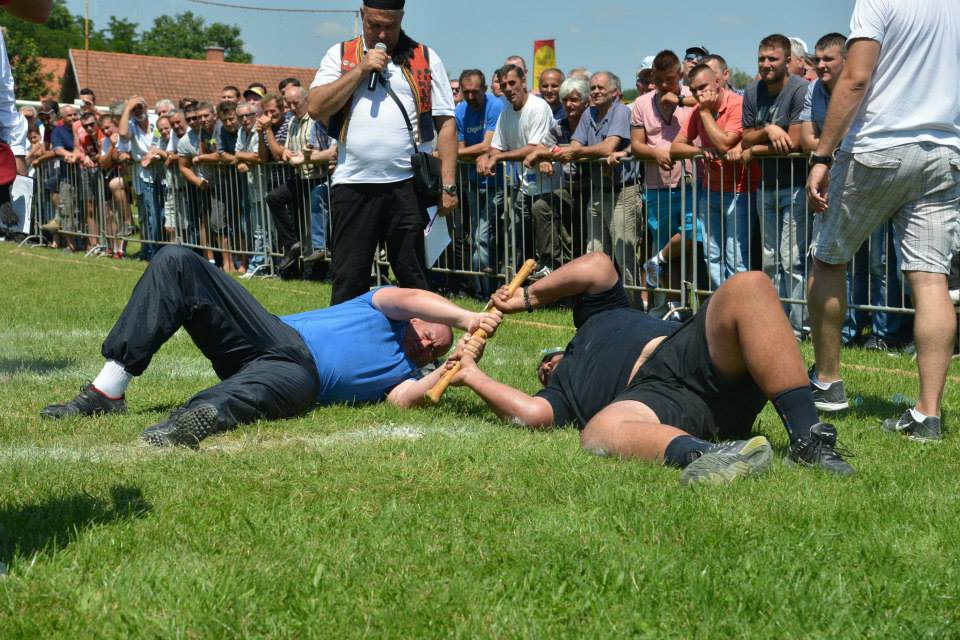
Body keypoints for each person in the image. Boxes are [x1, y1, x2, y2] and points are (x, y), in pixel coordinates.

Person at [446, 252, 854, 483]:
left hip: (688, 356)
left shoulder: (599, 313)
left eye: (546, 360)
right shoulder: (562, 392)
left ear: (554, 352)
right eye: (542, 371)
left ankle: (809, 440)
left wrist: (527, 298)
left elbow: (596, 266)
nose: (544, 368)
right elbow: (531, 413)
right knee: (599, 430)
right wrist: (470, 374)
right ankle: (711, 454)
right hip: (655, 402)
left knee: (749, 285)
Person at [40, 245, 501, 448]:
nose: (428, 345)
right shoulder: (382, 306)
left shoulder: (403, 374)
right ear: (420, 319)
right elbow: (412, 296)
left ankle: (193, 419)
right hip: (269, 335)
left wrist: (452, 369)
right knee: (178, 261)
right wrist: (465, 319)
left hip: (300, 378)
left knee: (258, 390)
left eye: (434, 350)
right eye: (430, 333)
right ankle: (107, 391)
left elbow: (405, 400)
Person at [806, 0, 960, 441]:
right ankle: (927, 414)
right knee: (931, 279)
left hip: (878, 147)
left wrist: (822, 155)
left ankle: (828, 382)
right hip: (943, 150)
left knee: (828, 260)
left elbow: (856, 77)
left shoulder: (879, 0)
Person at [308, 0, 458, 305]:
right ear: (362, 15)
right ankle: (349, 337)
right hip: (352, 184)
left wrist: (449, 186)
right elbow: (316, 107)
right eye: (374, 25)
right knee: (348, 280)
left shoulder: (425, 57)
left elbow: (446, 124)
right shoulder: (340, 54)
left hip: (407, 186)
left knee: (414, 279)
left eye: (390, 26)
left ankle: (421, 335)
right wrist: (361, 69)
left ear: (402, 18)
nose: (381, 34)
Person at [742, 33, 810, 336]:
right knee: (769, 259)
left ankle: (799, 327)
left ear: (788, 60)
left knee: (792, 259)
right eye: (761, 59)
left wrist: (754, 149)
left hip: (795, 185)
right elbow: (745, 136)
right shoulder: (752, 90)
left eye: (773, 58)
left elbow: (793, 141)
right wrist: (769, 129)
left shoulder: (800, 89)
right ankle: (774, 321)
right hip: (765, 187)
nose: (766, 64)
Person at [671, 64, 758, 289]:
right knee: (712, 256)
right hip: (710, 191)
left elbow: (724, 143)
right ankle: (721, 304)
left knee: (736, 258)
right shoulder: (699, 110)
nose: (699, 94)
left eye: (703, 87)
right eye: (694, 90)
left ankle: (737, 305)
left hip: (740, 192)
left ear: (718, 82)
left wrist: (704, 112)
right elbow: (675, 148)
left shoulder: (736, 104)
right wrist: (700, 151)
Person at [554, 71, 640, 295]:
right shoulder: (588, 113)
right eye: (592, 88)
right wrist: (580, 151)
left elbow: (607, 147)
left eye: (601, 87)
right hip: (598, 191)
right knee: (594, 252)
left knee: (624, 254)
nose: (595, 92)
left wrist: (579, 152)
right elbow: (575, 145)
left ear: (615, 92)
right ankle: (600, 306)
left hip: (623, 192)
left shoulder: (620, 111)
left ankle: (633, 306)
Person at [476, 64, 556, 274]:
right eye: (504, 85)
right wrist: (486, 157)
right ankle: (524, 280)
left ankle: (552, 280)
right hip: (524, 188)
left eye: (512, 83)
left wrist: (497, 157)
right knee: (521, 240)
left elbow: (534, 147)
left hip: (549, 187)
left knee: (547, 245)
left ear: (523, 82)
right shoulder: (506, 114)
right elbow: (496, 146)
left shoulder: (538, 107)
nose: (509, 88)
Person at [455, 69, 504, 295]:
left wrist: (453, 153)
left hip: (498, 182)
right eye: (466, 92)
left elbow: (488, 145)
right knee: (477, 236)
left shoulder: (495, 106)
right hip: (473, 182)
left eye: (475, 92)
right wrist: (465, 153)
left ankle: (484, 289)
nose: (471, 97)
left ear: (484, 89)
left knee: (483, 237)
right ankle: (480, 287)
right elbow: (462, 149)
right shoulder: (460, 110)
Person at [119, 95, 166, 260]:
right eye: (134, 109)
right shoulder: (130, 124)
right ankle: (148, 250)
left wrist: (154, 155)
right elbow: (123, 134)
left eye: (140, 107)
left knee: (161, 214)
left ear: (146, 106)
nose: (138, 111)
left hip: (162, 170)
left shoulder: (155, 120)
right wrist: (128, 108)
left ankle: (158, 249)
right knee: (147, 214)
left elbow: (160, 140)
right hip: (142, 174)